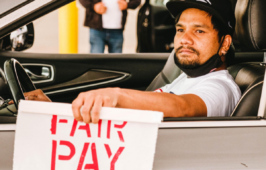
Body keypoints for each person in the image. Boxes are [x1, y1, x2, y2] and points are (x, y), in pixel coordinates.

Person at [24, 0, 241, 124]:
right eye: (180, 29)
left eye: (199, 31)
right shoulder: (187, 78)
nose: (184, 39)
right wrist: (54, 112)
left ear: (224, 44)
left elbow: (184, 108)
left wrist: (116, 95)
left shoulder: (220, 86)